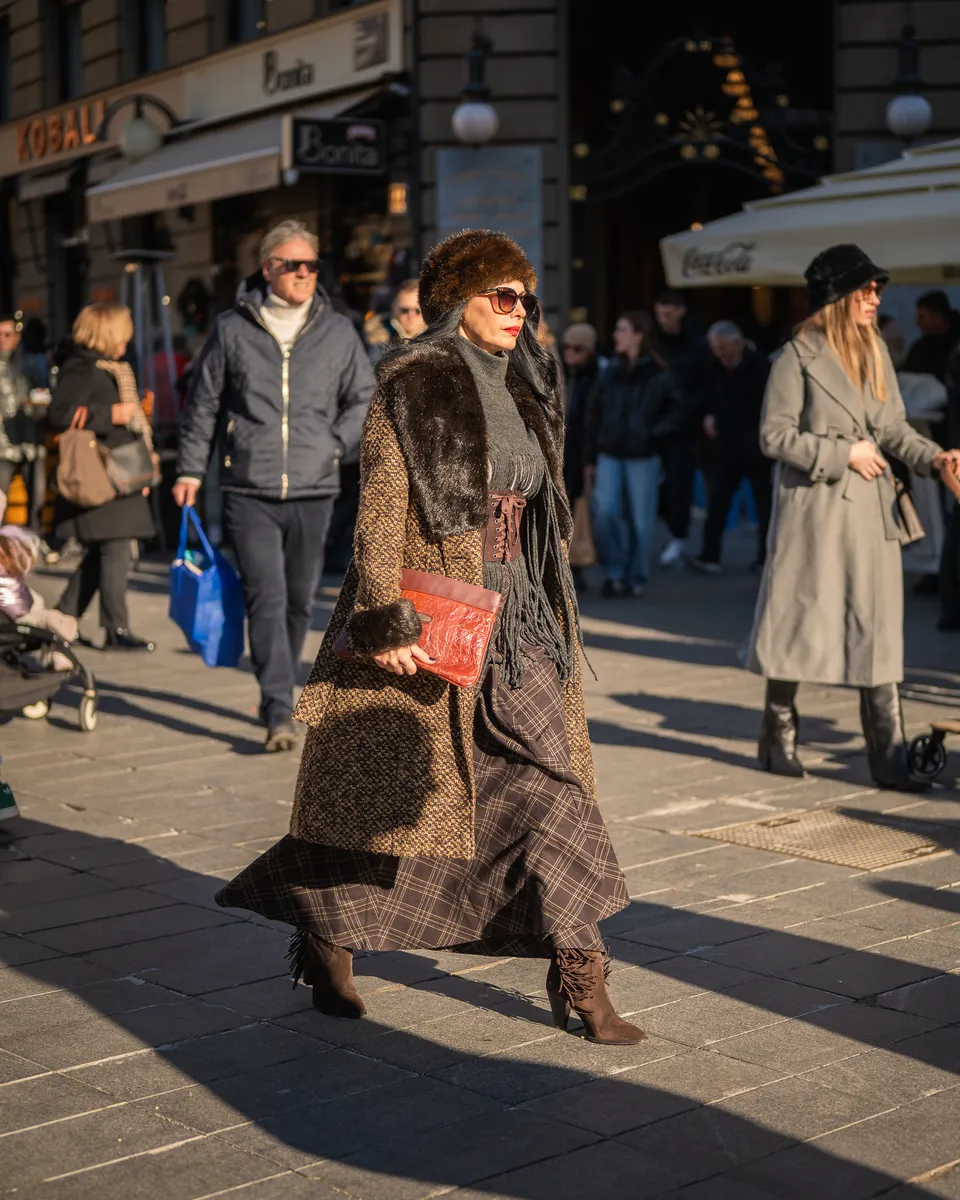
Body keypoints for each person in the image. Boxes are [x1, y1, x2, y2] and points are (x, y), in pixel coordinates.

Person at [214, 229, 643, 1046]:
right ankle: (327, 935)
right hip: (436, 614)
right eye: (502, 296)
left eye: (527, 297)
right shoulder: (414, 383)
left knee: (555, 791)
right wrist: (383, 618)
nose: (520, 311)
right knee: (399, 815)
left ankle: (581, 975)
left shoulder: (532, 380)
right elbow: (378, 511)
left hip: (522, 619)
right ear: (458, 303)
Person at [746, 244, 960, 790]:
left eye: (877, 289)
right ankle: (778, 733)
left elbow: (892, 430)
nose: (875, 298)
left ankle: (888, 758)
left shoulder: (876, 352)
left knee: (878, 628)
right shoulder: (796, 357)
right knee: (799, 619)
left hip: (871, 511)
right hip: (814, 510)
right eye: (866, 289)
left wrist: (935, 459)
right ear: (837, 297)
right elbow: (774, 435)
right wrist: (842, 454)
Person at [174, 219, 376, 753]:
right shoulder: (232, 328)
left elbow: (364, 397)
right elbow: (204, 405)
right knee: (266, 596)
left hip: (315, 485)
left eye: (311, 265)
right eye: (293, 265)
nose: (304, 274)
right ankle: (278, 705)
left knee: (298, 601)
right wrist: (190, 471)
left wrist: (335, 445)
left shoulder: (337, 330)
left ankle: (277, 692)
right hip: (249, 486)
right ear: (268, 269)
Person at [47, 303, 157, 651]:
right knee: (114, 550)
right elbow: (59, 413)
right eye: (122, 332)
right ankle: (116, 629)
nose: (127, 340)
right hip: (98, 475)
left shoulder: (111, 367)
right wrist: (111, 413)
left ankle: (61, 619)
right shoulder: (81, 367)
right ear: (106, 332)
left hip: (119, 472)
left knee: (102, 554)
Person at [585, 310, 680, 597]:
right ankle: (614, 572)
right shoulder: (609, 371)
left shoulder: (659, 372)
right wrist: (590, 456)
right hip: (610, 452)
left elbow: (678, 410)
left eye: (622, 330)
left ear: (639, 335)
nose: (616, 335)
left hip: (643, 455)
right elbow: (594, 414)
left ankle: (635, 576)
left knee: (641, 521)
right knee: (605, 512)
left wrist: (651, 433)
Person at [690, 321, 773, 574]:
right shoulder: (712, 366)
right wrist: (707, 415)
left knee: (764, 505)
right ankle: (709, 555)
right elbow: (703, 396)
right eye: (716, 348)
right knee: (718, 502)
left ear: (738, 343)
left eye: (724, 347)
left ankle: (765, 557)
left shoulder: (761, 366)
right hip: (726, 444)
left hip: (756, 445)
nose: (720, 353)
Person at [652, 290, 710, 567]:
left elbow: (705, 383)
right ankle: (670, 534)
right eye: (661, 312)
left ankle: (678, 535)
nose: (664, 318)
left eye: (669, 312)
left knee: (679, 484)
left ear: (680, 311)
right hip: (655, 421)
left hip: (684, 425)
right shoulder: (653, 340)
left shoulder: (697, 343)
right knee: (660, 484)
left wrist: (694, 411)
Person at [561, 322, 602, 590]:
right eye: (567, 347)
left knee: (578, 509)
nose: (570, 353)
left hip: (580, 452)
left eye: (577, 349)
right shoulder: (561, 372)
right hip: (561, 450)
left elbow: (594, 422)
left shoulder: (598, 377)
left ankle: (576, 567)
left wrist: (590, 460)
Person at [363, 278, 425, 364]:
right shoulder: (378, 339)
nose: (411, 315)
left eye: (417, 310)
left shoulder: (439, 337)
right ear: (394, 307)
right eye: (405, 310)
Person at [902, 289, 960, 381]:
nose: (917, 322)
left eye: (922, 317)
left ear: (937, 317)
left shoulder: (956, 348)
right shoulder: (920, 347)